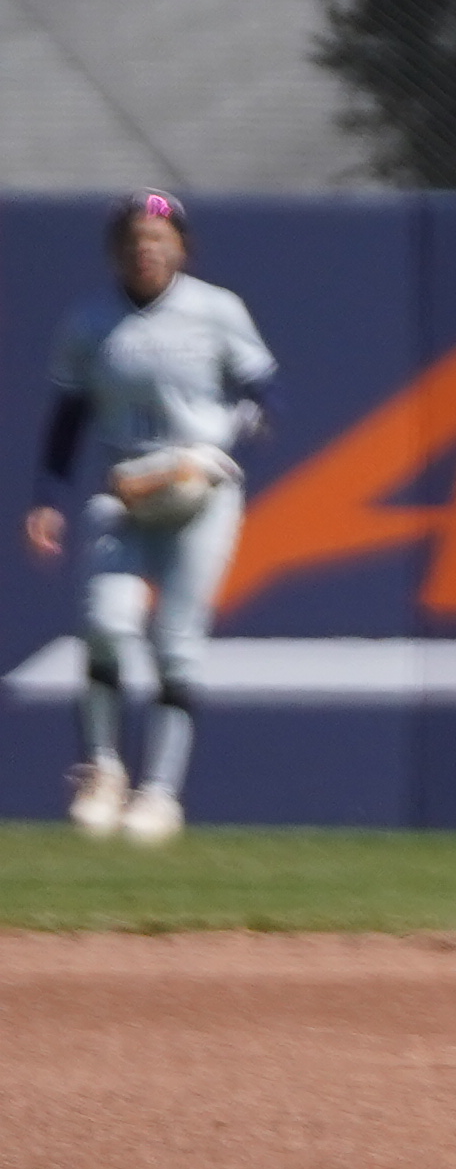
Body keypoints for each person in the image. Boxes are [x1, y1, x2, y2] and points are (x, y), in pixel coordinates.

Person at [38, 193, 270, 847]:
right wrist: (48, 497)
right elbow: (67, 418)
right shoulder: (89, 321)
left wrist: (220, 444)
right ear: (116, 250)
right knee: (106, 626)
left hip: (202, 492)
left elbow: (263, 390)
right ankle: (103, 769)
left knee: (175, 643)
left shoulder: (215, 310)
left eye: (160, 237)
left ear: (182, 248)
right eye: (135, 238)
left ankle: (161, 794)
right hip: (126, 486)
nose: (147, 247)